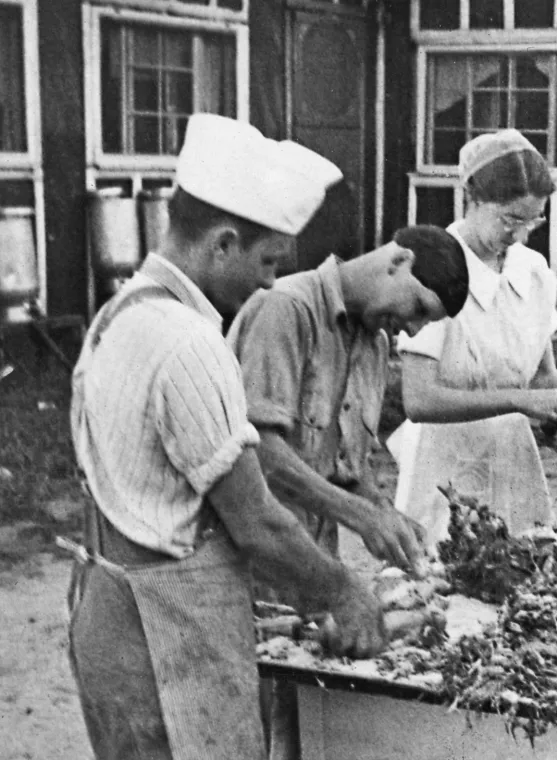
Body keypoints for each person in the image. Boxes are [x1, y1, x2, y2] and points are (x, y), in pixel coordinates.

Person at [67, 113, 386, 760]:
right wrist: (343, 591)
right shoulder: (189, 343)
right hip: (166, 630)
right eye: (267, 260)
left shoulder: (116, 314)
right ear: (221, 243)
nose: (271, 280)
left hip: (108, 610)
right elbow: (258, 522)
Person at [226, 224, 469, 760]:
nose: (411, 329)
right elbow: (258, 453)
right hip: (248, 566)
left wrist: (387, 512)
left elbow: (345, 466)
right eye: (419, 308)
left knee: (303, 737)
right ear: (397, 261)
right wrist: (360, 514)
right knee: (246, 735)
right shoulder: (286, 309)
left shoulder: (375, 343)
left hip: (312, 569)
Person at [388, 129, 557, 548]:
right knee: (444, 580)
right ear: (473, 197)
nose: (520, 235)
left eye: (533, 221)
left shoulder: (534, 272)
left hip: (513, 462)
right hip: (441, 471)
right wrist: (519, 401)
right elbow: (418, 400)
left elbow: (543, 378)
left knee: (524, 581)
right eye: (510, 219)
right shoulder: (436, 267)